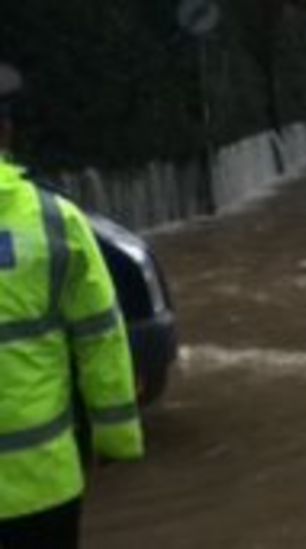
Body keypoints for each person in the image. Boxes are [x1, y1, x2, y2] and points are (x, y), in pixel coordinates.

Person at [0, 63, 144, 549]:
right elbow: (101, 335)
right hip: (44, 484)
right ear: (7, 131)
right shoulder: (55, 220)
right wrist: (115, 435)